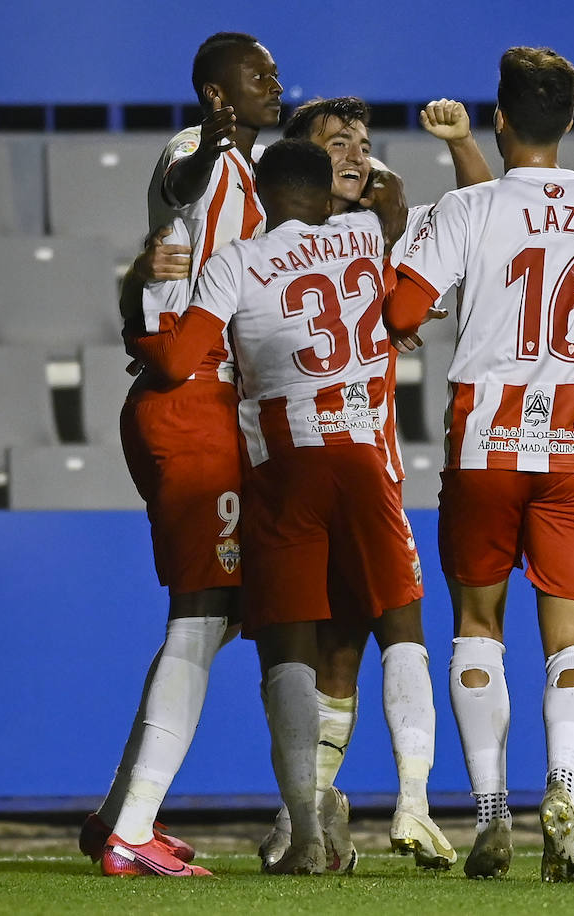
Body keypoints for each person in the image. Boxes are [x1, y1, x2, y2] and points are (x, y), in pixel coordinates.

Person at [384, 46, 574, 882]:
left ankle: (489, 815)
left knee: (478, 626)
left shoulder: (468, 209)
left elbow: (405, 307)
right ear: (572, 120)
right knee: (572, 641)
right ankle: (565, 792)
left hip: (484, 447)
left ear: (501, 117)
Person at [126, 138, 435, 875]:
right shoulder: (362, 235)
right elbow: (390, 210)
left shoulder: (237, 260)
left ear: (259, 198)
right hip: (366, 461)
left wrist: (142, 294)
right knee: (402, 627)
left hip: (286, 465)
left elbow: (174, 361)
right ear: (329, 190)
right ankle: (415, 803)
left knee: (286, 650)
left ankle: (304, 829)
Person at [251, 95, 493, 872]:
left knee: (342, 654)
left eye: (362, 142)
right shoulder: (331, 235)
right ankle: (315, 814)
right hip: (298, 471)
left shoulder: (380, 227)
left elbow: (482, 216)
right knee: (316, 652)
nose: (356, 154)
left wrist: (452, 149)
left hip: (365, 470)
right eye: (336, 143)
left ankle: (319, 819)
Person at [77, 31, 282, 878]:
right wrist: (219, 138)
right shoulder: (199, 152)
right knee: (203, 617)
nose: (273, 81)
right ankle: (132, 830)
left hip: (202, 398)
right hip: (192, 396)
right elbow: (180, 182)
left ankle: (118, 813)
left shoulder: (246, 169)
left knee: (218, 614)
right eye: (256, 75)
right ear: (216, 94)